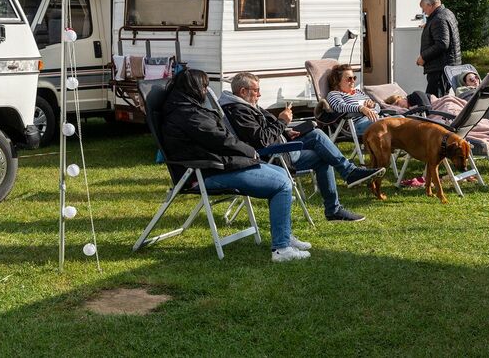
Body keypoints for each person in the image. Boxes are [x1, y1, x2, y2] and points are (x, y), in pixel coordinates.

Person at [161, 68, 311, 262]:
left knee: (282, 175)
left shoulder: (186, 108)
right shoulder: (187, 114)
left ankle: (285, 235)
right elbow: (220, 140)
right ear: (193, 88)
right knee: (281, 184)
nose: (206, 91)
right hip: (203, 173)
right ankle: (281, 249)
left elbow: (220, 138)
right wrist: (250, 151)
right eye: (204, 86)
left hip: (213, 166)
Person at [220, 72, 386, 222]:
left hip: (280, 146)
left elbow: (264, 134)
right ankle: (347, 179)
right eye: (256, 90)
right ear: (243, 91)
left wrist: (286, 131)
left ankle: (337, 203)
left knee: (319, 143)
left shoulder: (245, 107)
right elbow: (262, 140)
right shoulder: (238, 111)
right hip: (271, 156)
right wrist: (282, 121)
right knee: (317, 137)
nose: (260, 94)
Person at [416, 0, 461, 97]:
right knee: (440, 99)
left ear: (430, 5)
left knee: (434, 101)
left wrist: (423, 57)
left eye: (424, 8)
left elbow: (442, 44)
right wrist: (429, 26)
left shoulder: (438, 19)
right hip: (446, 67)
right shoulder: (447, 13)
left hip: (440, 69)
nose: (424, 12)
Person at [326, 64, 382, 135]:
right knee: (388, 125)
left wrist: (373, 105)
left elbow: (378, 108)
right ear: (338, 81)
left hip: (376, 118)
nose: (353, 81)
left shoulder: (359, 92)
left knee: (399, 119)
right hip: (357, 124)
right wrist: (361, 108)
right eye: (349, 78)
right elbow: (341, 107)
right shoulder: (334, 94)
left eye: (354, 78)